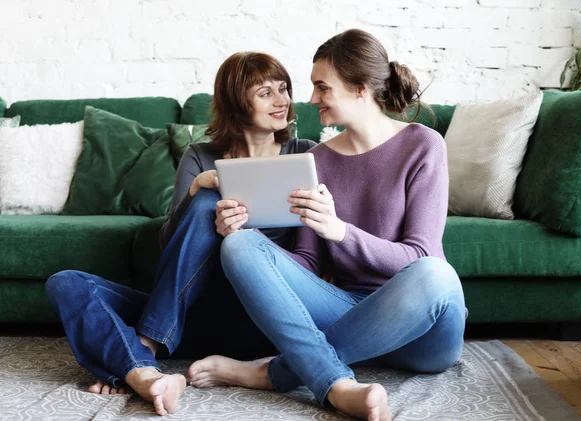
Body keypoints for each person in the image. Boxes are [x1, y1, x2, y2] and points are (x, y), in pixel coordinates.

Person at [185, 29, 466, 421]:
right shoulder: (319, 159)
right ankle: (331, 379)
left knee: (436, 274)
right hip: (345, 313)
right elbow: (308, 263)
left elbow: (420, 255)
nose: (312, 98)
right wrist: (250, 242)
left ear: (359, 88)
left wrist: (340, 231)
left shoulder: (424, 145)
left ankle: (276, 372)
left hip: (420, 332)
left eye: (322, 88)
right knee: (241, 246)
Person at [45, 52, 316, 416]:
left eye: (284, 89)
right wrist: (194, 192)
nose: (282, 100)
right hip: (186, 313)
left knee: (209, 200)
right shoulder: (201, 156)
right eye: (266, 93)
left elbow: (314, 256)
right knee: (66, 283)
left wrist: (242, 237)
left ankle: (139, 354)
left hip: (255, 319)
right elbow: (167, 244)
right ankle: (146, 372)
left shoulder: (304, 155)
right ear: (236, 101)